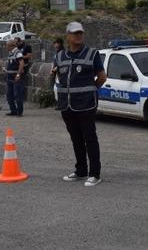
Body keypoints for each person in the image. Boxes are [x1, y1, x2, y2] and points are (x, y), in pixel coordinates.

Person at [51, 22, 107, 187]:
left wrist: (90, 90)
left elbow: (102, 77)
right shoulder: (59, 56)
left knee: (90, 139)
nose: (79, 36)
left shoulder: (92, 54)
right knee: (76, 139)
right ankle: (81, 170)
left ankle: (95, 174)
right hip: (67, 105)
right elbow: (58, 76)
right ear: (68, 36)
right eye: (75, 33)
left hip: (86, 104)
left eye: (80, 33)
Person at [4, 39, 25, 116]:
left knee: (17, 95)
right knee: (9, 95)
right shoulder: (10, 53)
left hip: (16, 77)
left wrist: (18, 75)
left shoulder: (18, 52)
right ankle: (13, 110)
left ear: (11, 46)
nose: (6, 47)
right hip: (9, 77)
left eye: (7, 45)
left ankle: (19, 111)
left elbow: (22, 63)